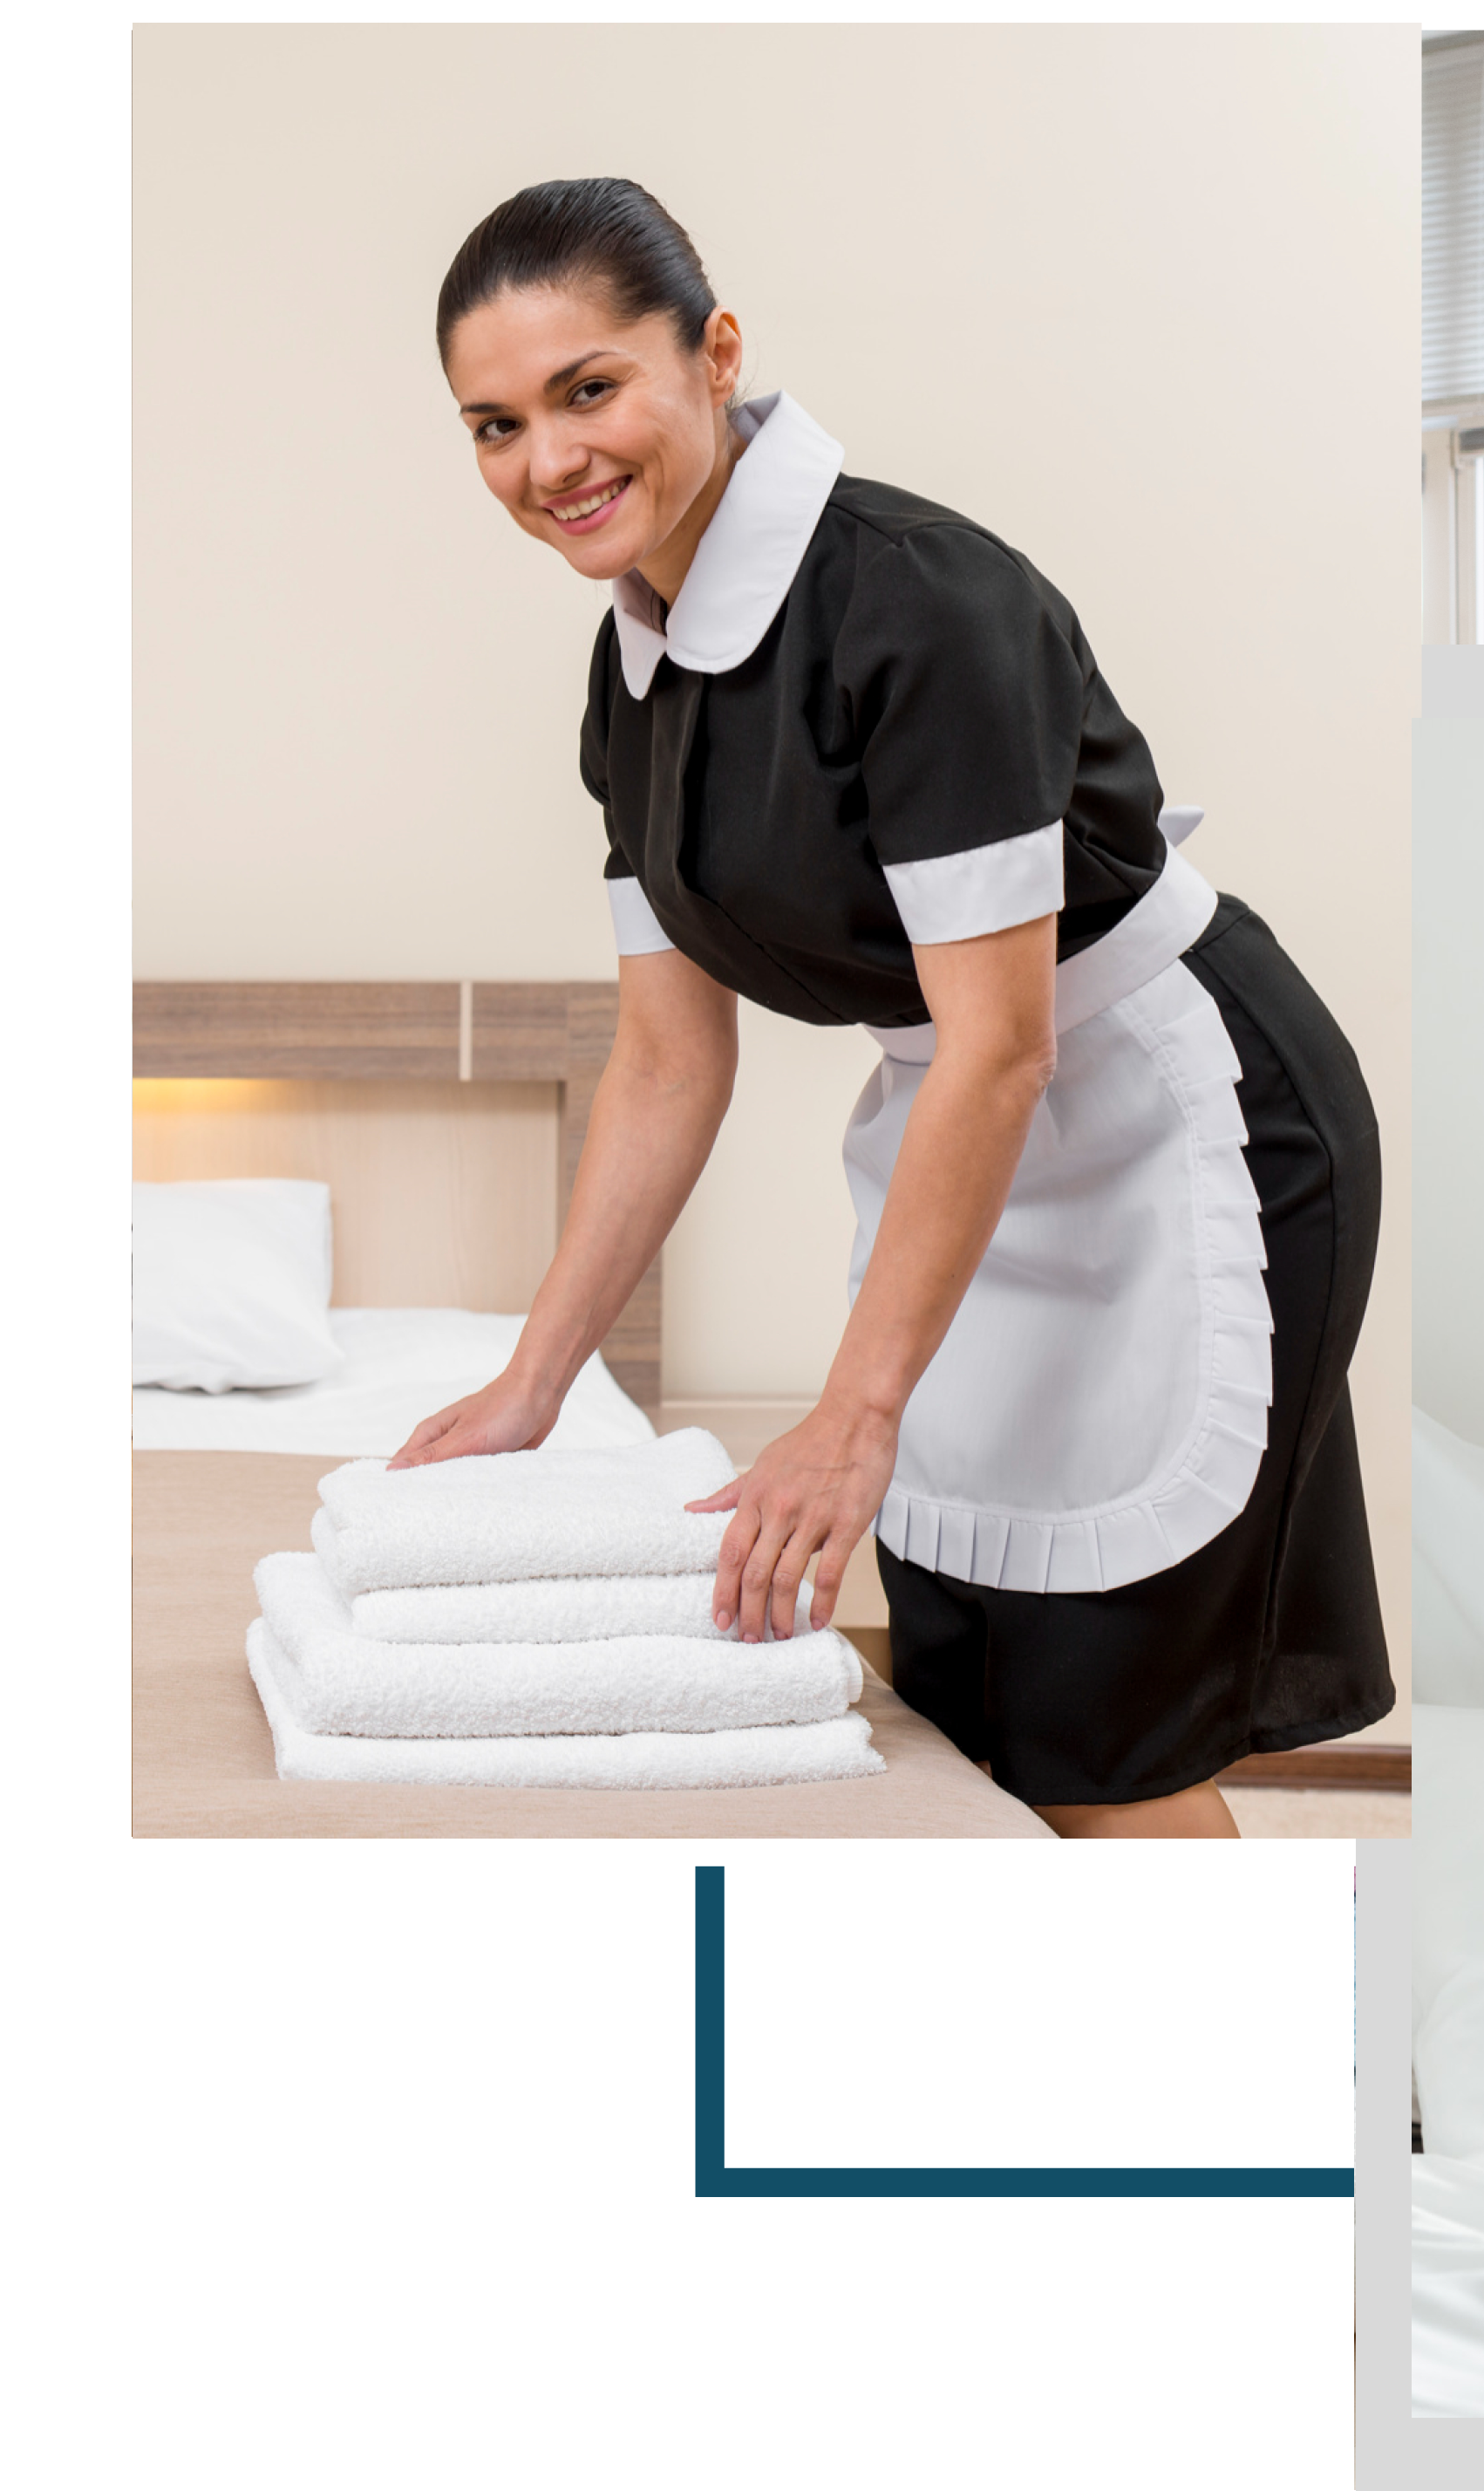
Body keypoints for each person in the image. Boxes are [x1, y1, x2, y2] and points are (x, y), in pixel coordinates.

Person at [399, 178, 1394, 1837]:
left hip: (1181, 1121)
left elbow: (1007, 1041)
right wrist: (534, 1381)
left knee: (1111, 1726)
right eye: (493, 425)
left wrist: (852, 1413)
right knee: (972, 1706)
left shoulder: (915, 601)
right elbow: (665, 1057)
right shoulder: (631, 671)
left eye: (588, 390)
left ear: (716, 354)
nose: (545, 462)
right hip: (973, 1131)